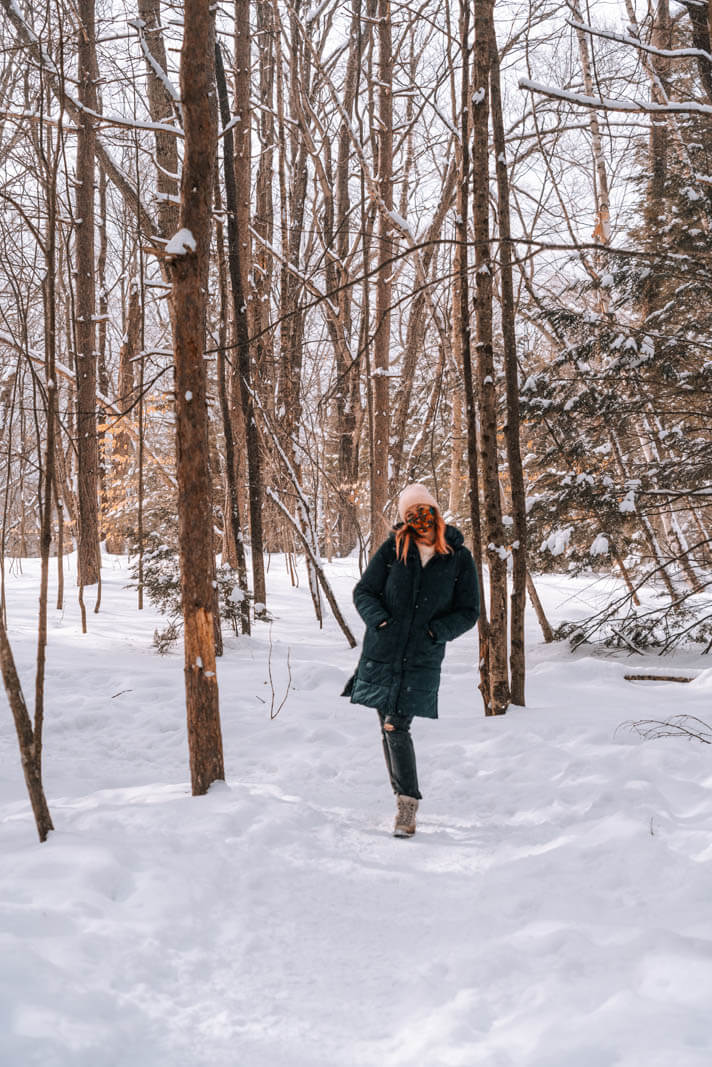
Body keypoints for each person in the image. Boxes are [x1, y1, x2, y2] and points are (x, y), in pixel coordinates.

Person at [343, 483, 480, 837]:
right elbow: (364, 591)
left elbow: (468, 611)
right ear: (405, 520)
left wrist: (437, 631)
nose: (420, 520)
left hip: (422, 655)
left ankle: (407, 805)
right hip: (382, 652)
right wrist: (381, 620)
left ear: (436, 513)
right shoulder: (393, 550)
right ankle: (401, 795)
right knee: (386, 728)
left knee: (395, 726)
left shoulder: (458, 557)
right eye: (411, 515)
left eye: (425, 512)